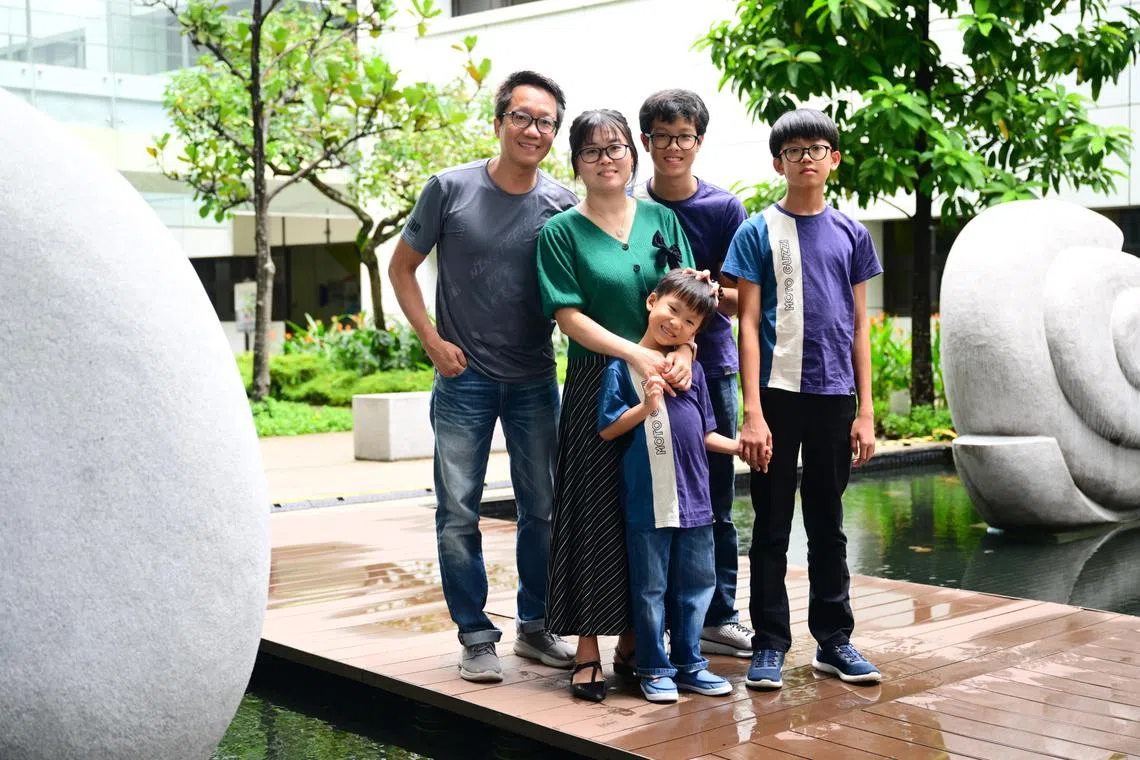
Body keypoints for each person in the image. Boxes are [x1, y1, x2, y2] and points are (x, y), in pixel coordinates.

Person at [388, 71, 578, 683]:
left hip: (533, 379)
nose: (533, 129)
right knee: (458, 512)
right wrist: (433, 342)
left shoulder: (561, 204)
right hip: (462, 378)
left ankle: (536, 626)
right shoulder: (448, 189)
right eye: (522, 117)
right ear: (499, 122)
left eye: (545, 121)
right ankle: (474, 634)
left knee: (543, 508)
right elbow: (402, 269)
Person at [536, 108, 696, 702]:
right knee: (590, 515)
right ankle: (586, 649)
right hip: (594, 386)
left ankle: (637, 641)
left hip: (662, 386)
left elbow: (687, 301)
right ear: (575, 162)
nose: (607, 159)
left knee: (650, 515)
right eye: (593, 151)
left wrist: (688, 354)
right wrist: (637, 354)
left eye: (618, 147)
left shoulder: (663, 219)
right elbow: (568, 316)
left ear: (635, 153)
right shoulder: (560, 232)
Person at [722, 108, 883, 690]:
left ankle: (834, 641)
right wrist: (752, 411)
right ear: (778, 163)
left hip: (835, 397)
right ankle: (769, 643)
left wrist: (865, 410)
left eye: (817, 148)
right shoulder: (756, 230)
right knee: (769, 522)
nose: (807, 158)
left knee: (828, 522)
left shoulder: (852, 233)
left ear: (833, 160)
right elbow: (746, 321)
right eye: (795, 151)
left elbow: (861, 324)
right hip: (775, 398)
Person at [635, 89, 753, 658]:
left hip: (716, 366)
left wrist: (709, 295)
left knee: (717, 496)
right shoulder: (634, 209)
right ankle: (653, 621)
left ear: (699, 142)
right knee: (654, 497)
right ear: (647, 142)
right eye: (662, 137)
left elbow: (748, 299)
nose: (673, 147)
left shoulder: (725, 209)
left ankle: (720, 614)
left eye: (684, 136)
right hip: (650, 370)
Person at [597, 269, 741, 703]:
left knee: (696, 585)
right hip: (649, 502)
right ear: (652, 302)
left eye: (690, 322)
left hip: (696, 501)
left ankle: (689, 664)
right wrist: (646, 406)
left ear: (697, 331)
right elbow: (607, 429)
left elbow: (705, 433)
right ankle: (653, 666)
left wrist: (741, 447)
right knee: (650, 588)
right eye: (671, 310)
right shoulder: (624, 367)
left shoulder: (690, 373)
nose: (676, 324)